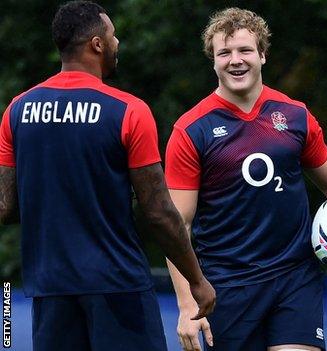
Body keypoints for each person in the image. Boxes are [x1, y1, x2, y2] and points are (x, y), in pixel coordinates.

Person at [164, 7, 327, 351]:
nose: (235, 60)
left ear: (263, 55)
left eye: (245, 50)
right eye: (224, 52)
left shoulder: (295, 116)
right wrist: (186, 302)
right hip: (226, 285)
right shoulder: (192, 130)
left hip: (294, 276)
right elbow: (178, 225)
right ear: (213, 61)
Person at [0, 2, 216, 350]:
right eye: (113, 37)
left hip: (50, 287)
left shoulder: (17, 110)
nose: (118, 45)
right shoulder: (129, 111)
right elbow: (158, 212)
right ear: (97, 45)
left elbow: (6, 207)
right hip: (118, 289)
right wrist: (197, 279)